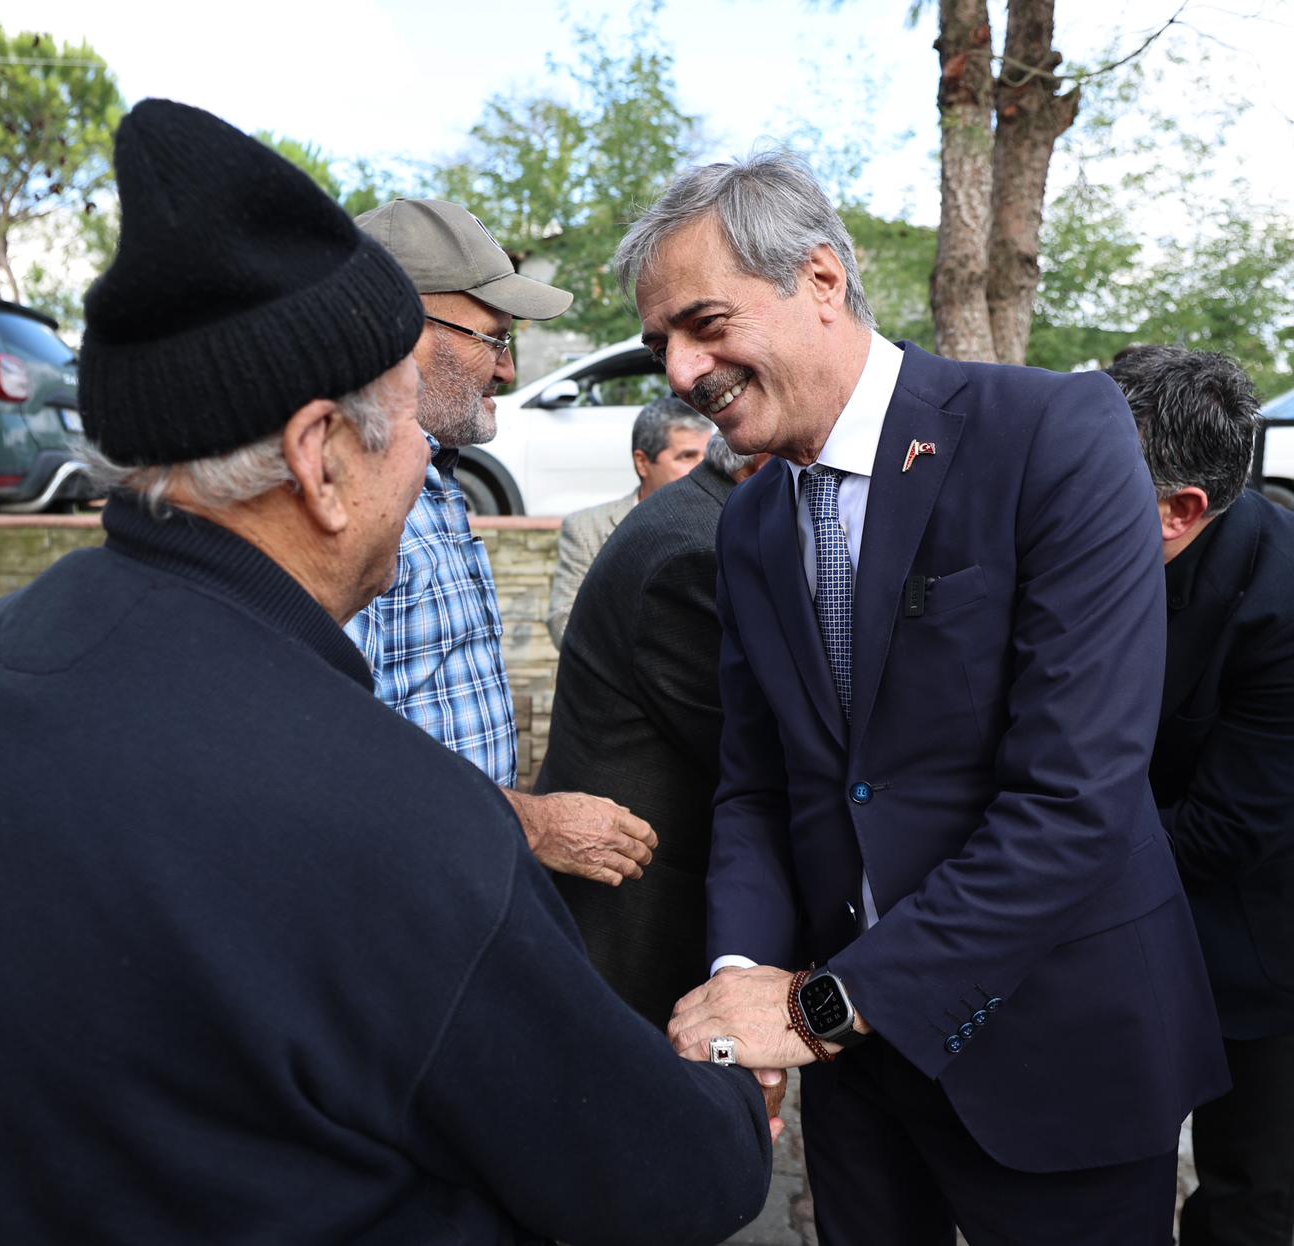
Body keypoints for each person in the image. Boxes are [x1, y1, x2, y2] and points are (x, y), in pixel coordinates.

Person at [0, 100, 776, 1246]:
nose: (426, 466)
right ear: (321, 462)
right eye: (402, 427)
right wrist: (734, 1087)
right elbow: (666, 1175)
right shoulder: (387, 812)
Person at [619, 150, 1229, 1244]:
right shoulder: (752, 525)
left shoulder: (1056, 433)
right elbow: (760, 786)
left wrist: (816, 1008)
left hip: (1058, 1056)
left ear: (819, 279)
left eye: (703, 322)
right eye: (662, 340)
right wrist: (740, 987)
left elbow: (1074, 799)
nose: (678, 367)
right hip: (857, 1084)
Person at [348, 198, 658, 889]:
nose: (509, 372)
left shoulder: (432, 479)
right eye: (494, 338)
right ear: (397, 329)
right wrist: (535, 825)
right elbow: (331, 754)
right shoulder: (354, 502)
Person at [1106, 345, 1294, 1246]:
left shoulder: (1281, 602)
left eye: (1088, 488)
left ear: (1181, 513)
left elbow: (1226, 829)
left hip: (1258, 935)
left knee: (1248, 1192)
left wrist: (1036, 857)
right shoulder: (1074, 541)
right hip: (1105, 916)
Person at [537, 432, 763, 1025]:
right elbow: (750, 747)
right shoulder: (696, 551)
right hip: (642, 908)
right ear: (760, 461)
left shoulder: (697, 511)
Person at [545, 396, 713, 647]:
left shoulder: (725, 521)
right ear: (643, 463)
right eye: (687, 456)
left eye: (707, 456)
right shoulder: (588, 528)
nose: (702, 469)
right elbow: (564, 623)